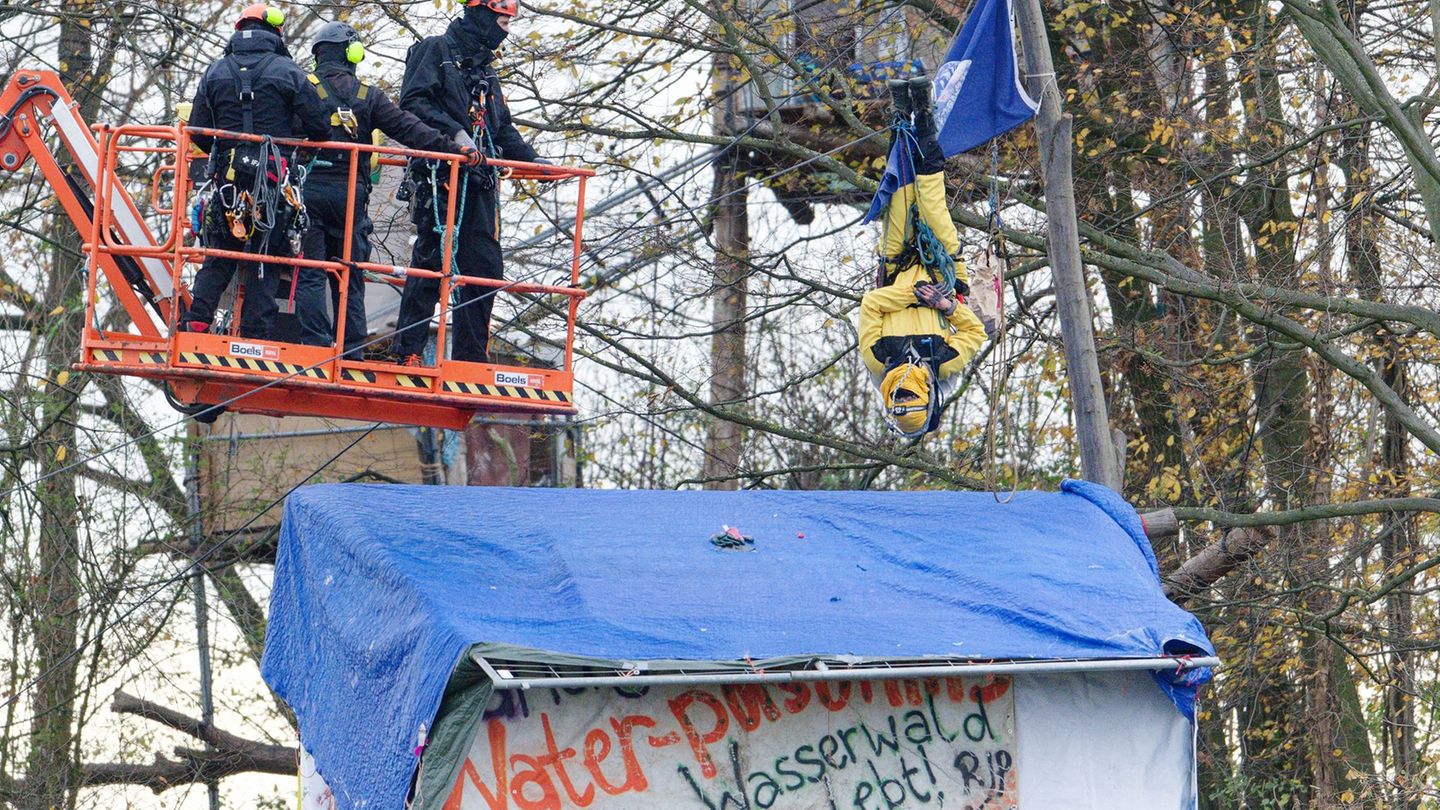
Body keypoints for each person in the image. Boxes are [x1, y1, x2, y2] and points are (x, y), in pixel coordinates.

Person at [294, 22, 478, 359]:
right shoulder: (368, 96)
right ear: (353, 54)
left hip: (311, 193)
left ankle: (314, 345)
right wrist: (451, 148)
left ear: (318, 56)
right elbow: (410, 129)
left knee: (311, 272)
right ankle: (351, 351)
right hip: (351, 197)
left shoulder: (302, 90)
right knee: (350, 274)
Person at [391, 0, 542, 365]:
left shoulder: (486, 74)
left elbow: (501, 127)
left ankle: (470, 359)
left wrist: (534, 161)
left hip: (478, 183)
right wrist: (456, 134)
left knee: (484, 267)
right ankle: (409, 350)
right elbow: (413, 103)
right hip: (441, 176)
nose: (505, 28)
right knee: (432, 259)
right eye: (502, 20)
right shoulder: (435, 51)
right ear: (481, 14)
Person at [182, 3, 332, 339]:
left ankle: (196, 320)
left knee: (220, 252)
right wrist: (291, 141)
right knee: (266, 255)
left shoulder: (214, 72)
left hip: (227, 181)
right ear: (277, 33)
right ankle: (253, 333)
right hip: (273, 181)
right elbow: (321, 126)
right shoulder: (289, 71)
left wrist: (222, 156)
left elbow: (198, 129)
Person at [859, 76, 988, 438]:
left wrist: (912, 293)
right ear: (927, 396)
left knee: (900, 193)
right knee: (930, 194)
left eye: (896, 392)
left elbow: (871, 305)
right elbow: (974, 330)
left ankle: (901, 112)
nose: (901, 384)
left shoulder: (878, 357)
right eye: (909, 393)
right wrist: (947, 307)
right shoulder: (946, 363)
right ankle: (924, 113)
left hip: (896, 263)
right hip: (943, 266)